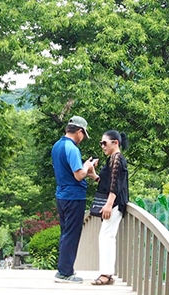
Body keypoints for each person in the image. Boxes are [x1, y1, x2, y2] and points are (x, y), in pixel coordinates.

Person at [51, 115, 98, 283]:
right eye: (83, 134)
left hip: (61, 195)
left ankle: (64, 269)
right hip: (74, 196)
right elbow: (78, 175)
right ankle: (65, 272)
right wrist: (88, 167)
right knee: (71, 234)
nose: (83, 138)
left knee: (66, 233)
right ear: (79, 131)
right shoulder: (72, 148)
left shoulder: (57, 146)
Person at [90, 130, 129, 285]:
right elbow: (108, 182)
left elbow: (116, 184)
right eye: (101, 143)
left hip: (114, 203)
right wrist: (94, 175)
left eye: (104, 143)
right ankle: (107, 273)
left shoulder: (117, 159)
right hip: (113, 202)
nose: (102, 146)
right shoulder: (113, 159)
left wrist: (108, 204)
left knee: (106, 237)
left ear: (115, 143)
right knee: (106, 237)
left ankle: (106, 274)